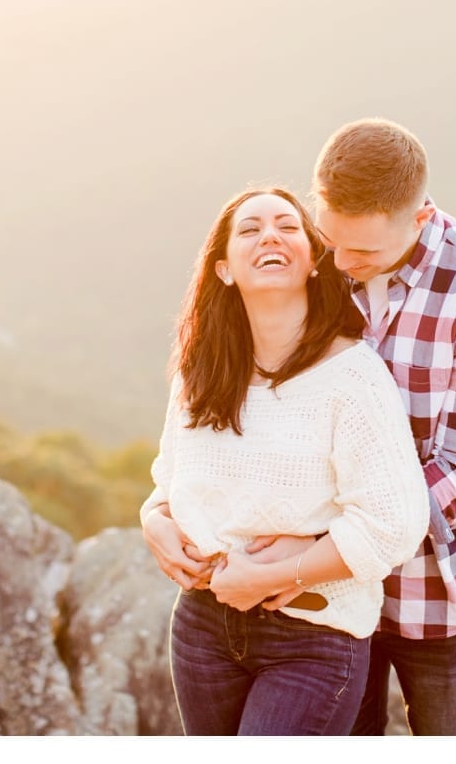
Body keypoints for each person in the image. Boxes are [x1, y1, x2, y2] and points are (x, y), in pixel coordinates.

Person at [139, 186, 428, 737]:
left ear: (314, 262)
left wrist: (279, 574)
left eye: (287, 226)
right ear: (224, 270)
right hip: (202, 626)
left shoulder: (353, 377)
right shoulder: (200, 374)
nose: (269, 235)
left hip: (313, 634)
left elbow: (395, 523)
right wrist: (153, 520)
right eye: (249, 229)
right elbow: (169, 482)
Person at [311, 118, 456, 736]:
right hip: (324, 595)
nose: (338, 262)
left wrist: (341, 541)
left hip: (434, 586)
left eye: (362, 252)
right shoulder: (320, 257)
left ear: (420, 218)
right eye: (331, 239)